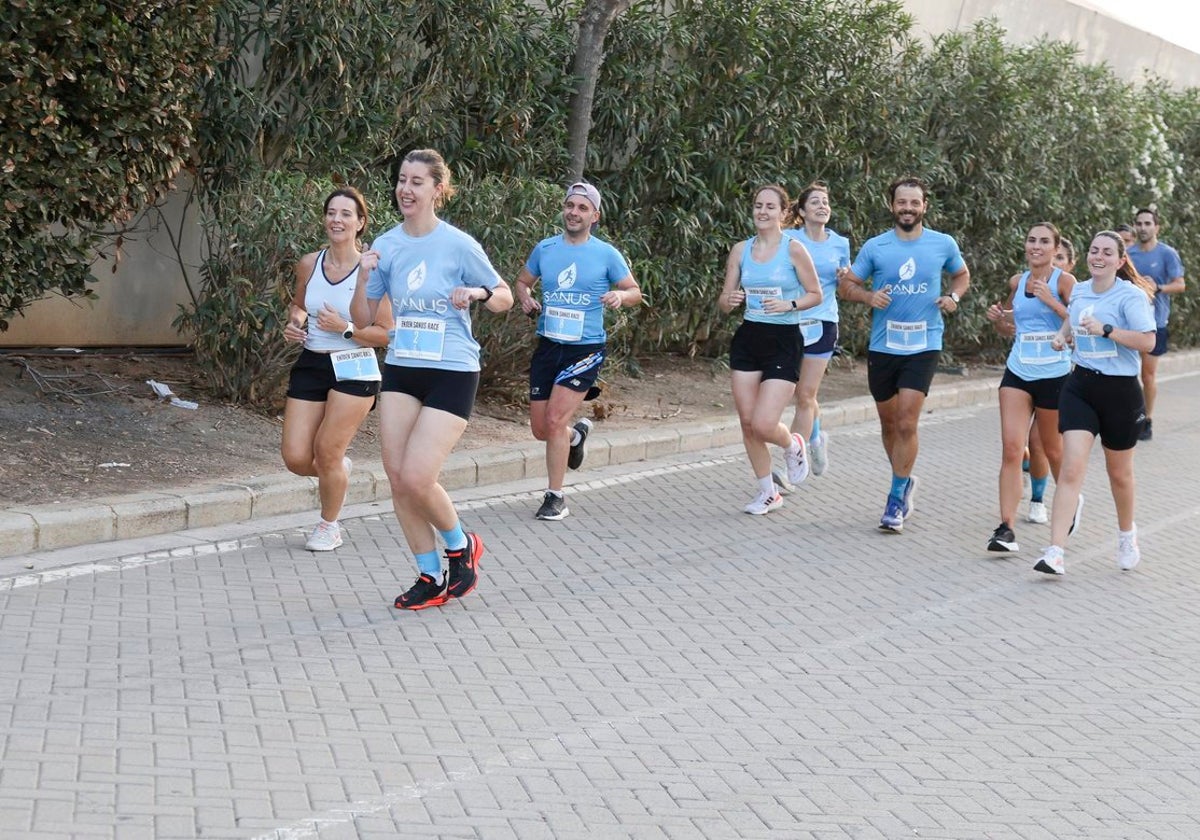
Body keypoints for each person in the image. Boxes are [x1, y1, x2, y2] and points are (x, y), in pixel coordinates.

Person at [350, 149, 514, 609]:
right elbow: (362, 317)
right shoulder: (387, 244)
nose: (406, 189)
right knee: (398, 477)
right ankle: (428, 574)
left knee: (419, 476)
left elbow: (503, 295)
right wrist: (363, 278)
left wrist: (479, 292)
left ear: (438, 189)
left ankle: (461, 545)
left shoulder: (459, 244)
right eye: (402, 179)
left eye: (417, 181)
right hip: (404, 366)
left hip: (453, 369)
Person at [839, 176, 970, 532]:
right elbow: (846, 285)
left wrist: (953, 298)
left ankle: (896, 497)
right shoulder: (876, 247)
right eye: (902, 202)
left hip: (924, 343)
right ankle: (904, 477)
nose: (908, 208)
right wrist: (868, 297)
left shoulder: (942, 244)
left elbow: (961, 275)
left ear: (924, 205)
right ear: (891, 205)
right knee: (888, 423)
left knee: (907, 422)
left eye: (915, 203)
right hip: (884, 346)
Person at [514, 182, 642, 521]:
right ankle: (576, 436)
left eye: (582, 208)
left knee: (555, 419)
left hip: (584, 349)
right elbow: (522, 281)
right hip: (548, 345)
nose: (574, 212)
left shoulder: (606, 254)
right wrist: (526, 298)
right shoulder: (546, 248)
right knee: (542, 429)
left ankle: (555, 496)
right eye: (570, 205)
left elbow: (634, 291)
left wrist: (620, 297)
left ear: (594, 216)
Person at [1033, 231, 1156, 576]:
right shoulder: (1082, 291)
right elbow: (1071, 323)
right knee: (1072, 468)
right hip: (1081, 386)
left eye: (1106, 252)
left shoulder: (1130, 297)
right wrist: (1061, 337)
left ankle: (1127, 534)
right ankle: (1056, 551)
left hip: (1120, 393)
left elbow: (1148, 341)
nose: (1098, 256)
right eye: (1093, 250)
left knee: (1119, 474)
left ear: (1120, 261)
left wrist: (1107, 330)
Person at [282, 187, 395, 552]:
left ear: (360, 223)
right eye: (332, 212)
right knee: (297, 458)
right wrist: (295, 322)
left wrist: (345, 328)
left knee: (327, 449)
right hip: (312, 361)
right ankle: (337, 472)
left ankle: (328, 526)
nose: (337, 220)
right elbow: (299, 305)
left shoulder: (372, 271)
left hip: (356, 365)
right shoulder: (309, 263)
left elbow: (385, 335)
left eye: (347, 214)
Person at [718, 184, 822, 515]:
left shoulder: (793, 249)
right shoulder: (740, 250)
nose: (762, 212)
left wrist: (788, 304)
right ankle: (768, 492)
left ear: (784, 212)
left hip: (784, 340)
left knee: (764, 424)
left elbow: (815, 294)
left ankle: (793, 443)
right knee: (748, 422)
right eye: (758, 206)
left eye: (770, 207)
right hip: (749, 339)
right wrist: (730, 300)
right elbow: (723, 301)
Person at [983, 223, 1075, 553]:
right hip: (1018, 370)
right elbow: (1011, 327)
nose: (1036, 246)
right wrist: (998, 319)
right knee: (1011, 448)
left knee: (1052, 449)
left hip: (1054, 374)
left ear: (1055, 248)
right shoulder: (1017, 281)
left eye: (1044, 241)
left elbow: (1078, 323)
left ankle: (1070, 500)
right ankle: (1005, 528)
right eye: (1031, 240)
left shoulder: (1065, 282)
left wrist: (1051, 300)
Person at [777, 181, 850, 486]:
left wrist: (846, 277)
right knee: (799, 393)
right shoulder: (789, 239)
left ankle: (792, 466)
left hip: (823, 322)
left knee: (806, 394)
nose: (822, 206)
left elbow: (847, 287)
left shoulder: (840, 243)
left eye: (826, 202)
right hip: (791, 321)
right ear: (803, 212)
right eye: (815, 202)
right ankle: (816, 438)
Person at [1128, 207, 1186, 441]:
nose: (1143, 228)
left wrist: (1158, 288)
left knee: (1148, 375)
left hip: (1155, 322)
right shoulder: (1129, 254)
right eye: (1139, 223)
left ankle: (1147, 420)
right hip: (1129, 323)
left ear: (1156, 227)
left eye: (1147, 223)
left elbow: (1180, 284)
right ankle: (1128, 417)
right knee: (1126, 373)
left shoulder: (1167, 254)